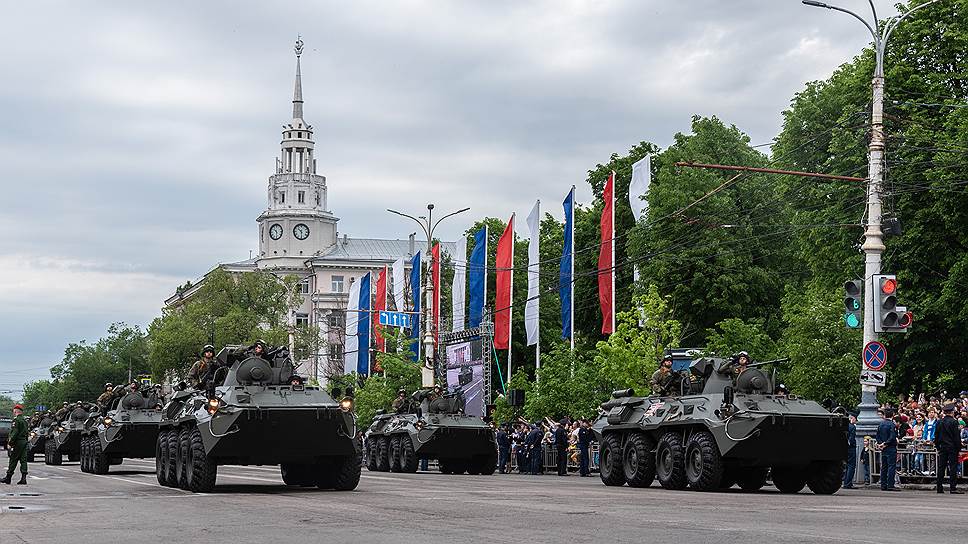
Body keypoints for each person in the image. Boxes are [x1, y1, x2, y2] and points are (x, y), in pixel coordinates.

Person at [935, 404, 963, 494]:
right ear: (952, 412)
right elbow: (956, 437)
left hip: (942, 447)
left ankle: (939, 487)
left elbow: (936, 435)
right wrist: (959, 448)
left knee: (941, 467)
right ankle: (952, 487)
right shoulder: (954, 422)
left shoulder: (939, 422)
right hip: (952, 447)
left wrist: (937, 446)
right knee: (953, 467)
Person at [2, 404, 28, 485]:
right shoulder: (24, 421)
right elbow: (27, 432)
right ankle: (23, 478)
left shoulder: (16, 421)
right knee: (23, 460)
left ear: (16, 411)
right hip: (24, 441)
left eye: (14, 410)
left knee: (13, 459)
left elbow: (15, 432)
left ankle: (8, 477)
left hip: (18, 442)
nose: (13, 412)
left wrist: (10, 443)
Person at [876, 408, 899, 491]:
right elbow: (892, 437)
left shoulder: (881, 424)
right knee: (891, 466)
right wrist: (885, 443)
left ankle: (883, 484)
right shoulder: (892, 425)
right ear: (892, 415)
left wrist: (881, 444)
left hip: (883, 448)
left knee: (884, 467)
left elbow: (877, 435)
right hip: (891, 447)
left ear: (885, 415)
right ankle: (890, 484)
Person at [842, 414, 857, 489]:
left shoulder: (844, 426)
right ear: (852, 418)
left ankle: (846, 482)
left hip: (844, 448)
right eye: (855, 418)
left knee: (847, 465)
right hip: (851, 448)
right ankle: (848, 483)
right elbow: (851, 439)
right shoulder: (852, 427)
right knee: (851, 466)